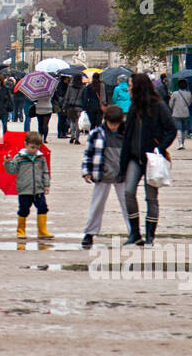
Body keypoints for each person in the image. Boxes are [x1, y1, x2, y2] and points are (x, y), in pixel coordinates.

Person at [117, 72, 176, 245]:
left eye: (130, 86)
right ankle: (135, 233)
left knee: (151, 197)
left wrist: (160, 147)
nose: (128, 89)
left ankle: (150, 235)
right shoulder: (134, 108)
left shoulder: (158, 106)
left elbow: (171, 129)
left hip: (152, 158)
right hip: (135, 158)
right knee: (128, 192)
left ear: (138, 88)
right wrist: (122, 165)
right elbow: (128, 138)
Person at [80, 103, 129, 248]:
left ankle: (134, 233)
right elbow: (88, 154)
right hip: (101, 174)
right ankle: (90, 233)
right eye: (110, 123)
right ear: (105, 120)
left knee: (128, 206)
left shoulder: (127, 134)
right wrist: (86, 171)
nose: (113, 126)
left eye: (116, 123)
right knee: (96, 205)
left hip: (122, 175)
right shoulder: (96, 134)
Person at [4, 131, 53, 239]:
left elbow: (45, 172)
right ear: (26, 145)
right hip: (24, 189)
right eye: (32, 147)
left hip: (38, 189)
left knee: (43, 208)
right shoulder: (19, 158)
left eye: (37, 147)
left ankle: (42, 230)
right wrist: (7, 162)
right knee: (24, 209)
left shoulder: (41, 158)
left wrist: (46, 185)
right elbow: (12, 170)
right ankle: (21, 230)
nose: (34, 150)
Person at [169, 79, 192, 150]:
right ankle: (183, 142)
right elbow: (189, 103)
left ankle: (180, 144)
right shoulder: (189, 93)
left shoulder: (174, 93)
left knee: (179, 128)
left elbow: (170, 104)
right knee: (184, 129)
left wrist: (174, 107)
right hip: (185, 113)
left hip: (176, 113)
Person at [64, 74, 85, 144]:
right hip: (79, 106)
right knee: (77, 122)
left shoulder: (70, 86)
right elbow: (84, 98)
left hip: (71, 106)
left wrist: (64, 106)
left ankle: (72, 136)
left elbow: (67, 96)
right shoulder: (83, 87)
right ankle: (77, 138)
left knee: (72, 122)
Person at [0, 76, 14, 141]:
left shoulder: (5, 89)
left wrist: (7, 106)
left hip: (4, 110)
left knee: (4, 125)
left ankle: (5, 138)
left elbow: (9, 99)